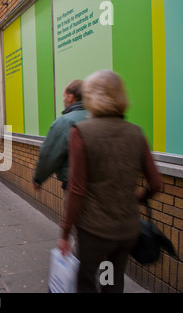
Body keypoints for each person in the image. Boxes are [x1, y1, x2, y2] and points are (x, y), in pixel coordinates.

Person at [58, 70, 162, 293]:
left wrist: (65, 232)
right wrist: (138, 197)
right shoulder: (136, 133)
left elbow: (76, 189)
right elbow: (156, 183)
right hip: (125, 231)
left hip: (93, 232)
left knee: (85, 282)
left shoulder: (82, 132)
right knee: (111, 281)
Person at [33, 80, 88, 190]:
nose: (63, 100)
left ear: (71, 97)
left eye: (64, 96)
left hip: (75, 185)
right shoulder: (97, 117)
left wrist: (38, 179)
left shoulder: (64, 122)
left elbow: (49, 154)